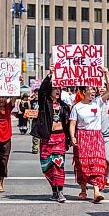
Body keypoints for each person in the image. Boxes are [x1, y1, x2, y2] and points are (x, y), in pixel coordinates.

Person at [69, 68, 109, 203]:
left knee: (97, 163)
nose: (93, 91)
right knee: (83, 164)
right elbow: (72, 124)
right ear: (83, 92)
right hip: (82, 136)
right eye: (90, 89)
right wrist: (73, 137)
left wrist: (106, 74)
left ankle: (96, 191)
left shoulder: (98, 102)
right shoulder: (77, 107)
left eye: (94, 89)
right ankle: (83, 189)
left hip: (96, 136)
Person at [34, 65, 71, 202]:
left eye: (59, 89)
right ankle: (54, 190)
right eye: (55, 88)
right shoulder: (45, 103)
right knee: (46, 166)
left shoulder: (64, 106)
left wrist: (69, 138)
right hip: (47, 138)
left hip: (60, 138)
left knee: (58, 165)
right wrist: (50, 75)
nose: (58, 91)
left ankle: (60, 191)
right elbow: (41, 91)